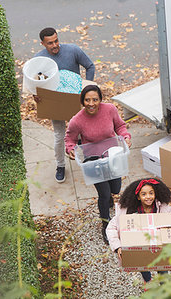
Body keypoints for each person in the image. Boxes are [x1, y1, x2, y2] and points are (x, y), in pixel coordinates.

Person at [65, 84, 131, 244]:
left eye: (95, 99)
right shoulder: (77, 120)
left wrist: (126, 136)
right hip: (93, 161)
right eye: (87, 100)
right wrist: (70, 149)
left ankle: (109, 198)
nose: (91, 103)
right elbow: (70, 139)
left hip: (112, 156)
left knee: (115, 189)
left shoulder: (110, 110)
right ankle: (105, 224)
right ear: (82, 101)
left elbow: (120, 126)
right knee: (104, 194)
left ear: (100, 99)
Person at [34, 27, 95, 183]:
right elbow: (35, 82)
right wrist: (36, 95)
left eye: (56, 41)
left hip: (75, 99)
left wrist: (86, 88)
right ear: (42, 43)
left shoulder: (72, 50)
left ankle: (88, 159)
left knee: (83, 133)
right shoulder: (39, 59)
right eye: (50, 43)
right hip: (56, 104)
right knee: (59, 137)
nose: (55, 45)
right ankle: (60, 165)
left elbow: (90, 66)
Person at [106, 178, 171, 283]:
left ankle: (165, 288)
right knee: (142, 267)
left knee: (163, 272)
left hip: (160, 249)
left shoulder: (164, 209)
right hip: (139, 250)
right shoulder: (127, 212)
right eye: (144, 194)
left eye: (151, 193)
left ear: (156, 194)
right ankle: (148, 281)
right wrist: (117, 246)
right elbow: (111, 228)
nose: (148, 197)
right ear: (138, 197)